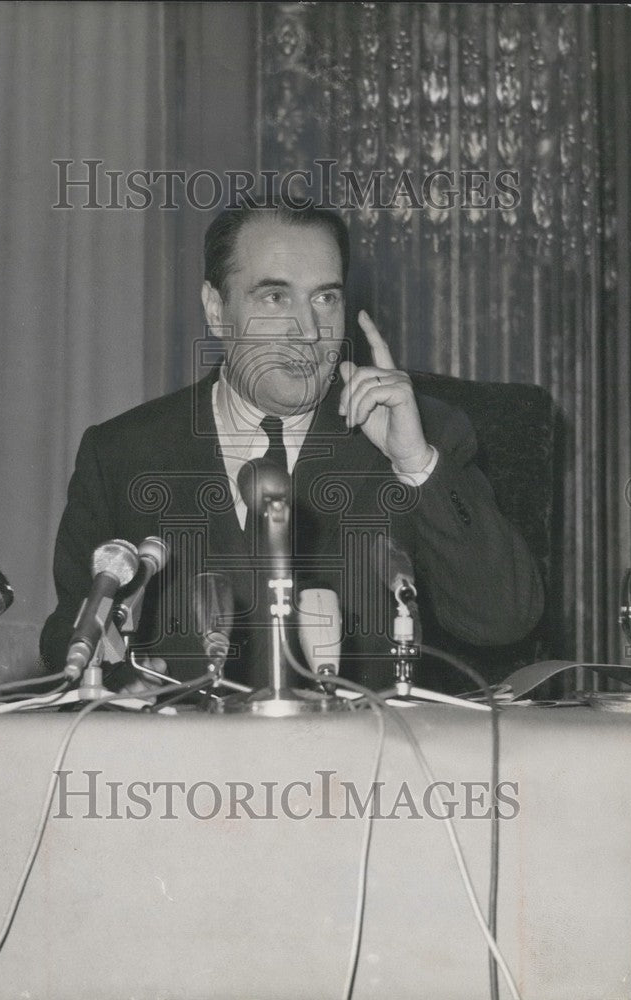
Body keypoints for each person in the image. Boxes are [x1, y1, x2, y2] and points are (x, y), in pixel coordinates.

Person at [40, 201, 543, 693]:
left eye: (325, 298)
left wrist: (414, 464)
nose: (309, 331)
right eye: (275, 298)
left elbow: (504, 619)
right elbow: (72, 633)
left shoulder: (421, 432)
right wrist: (119, 676)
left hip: (362, 767)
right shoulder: (123, 454)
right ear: (217, 311)